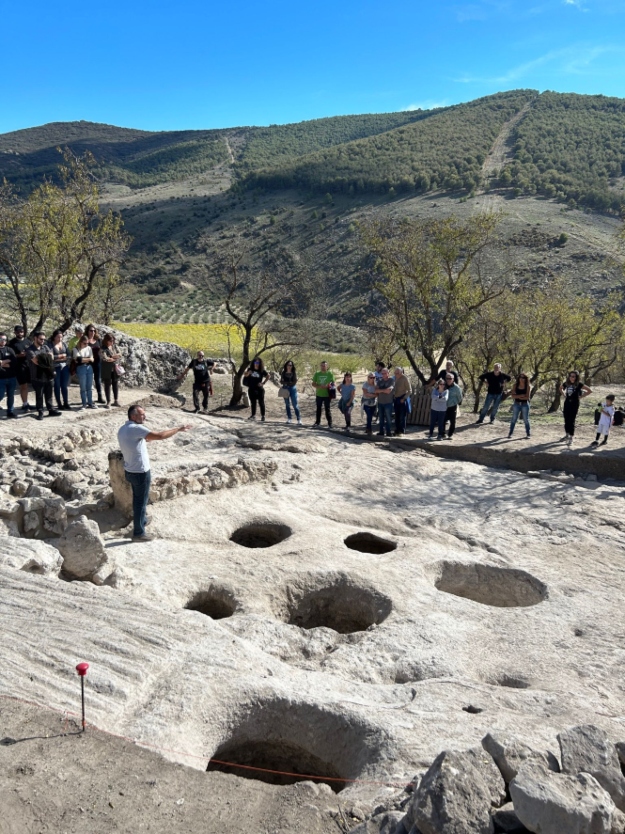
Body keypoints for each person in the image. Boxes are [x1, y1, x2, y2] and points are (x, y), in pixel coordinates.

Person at [117, 405, 192, 542]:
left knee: (138, 499)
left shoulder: (124, 429)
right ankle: (139, 533)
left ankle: (143, 520)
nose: (145, 417)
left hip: (130, 470)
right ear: (133, 416)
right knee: (140, 502)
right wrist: (178, 429)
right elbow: (160, 436)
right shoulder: (136, 428)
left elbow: (145, 439)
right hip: (140, 472)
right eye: (142, 415)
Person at [26, 331, 61, 421]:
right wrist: (46, 358)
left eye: (44, 339)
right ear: (35, 338)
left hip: (48, 375)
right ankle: (40, 411)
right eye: (41, 339)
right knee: (39, 395)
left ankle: (51, 409)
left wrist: (44, 358)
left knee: (49, 394)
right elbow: (36, 361)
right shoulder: (30, 349)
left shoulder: (45, 347)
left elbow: (51, 357)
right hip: (37, 376)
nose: (43, 341)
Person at [560, 371, 591, 447]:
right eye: (570, 376)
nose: (572, 378)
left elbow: (589, 391)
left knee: (571, 420)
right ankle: (567, 434)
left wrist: (580, 397)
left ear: (576, 377)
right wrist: (564, 394)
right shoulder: (566, 383)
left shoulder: (579, 384)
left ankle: (571, 436)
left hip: (574, 403)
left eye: (573, 376)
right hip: (567, 403)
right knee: (566, 419)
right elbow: (560, 388)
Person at [8, 325, 32, 411]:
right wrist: (18, 355)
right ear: (14, 332)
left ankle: (27, 402)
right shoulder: (11, 343)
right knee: (23, 385)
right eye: (18, 332)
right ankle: (25, 404)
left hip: (28, 366)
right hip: (18, 367)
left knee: (29, 386)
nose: (20, 333)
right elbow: (9, 356)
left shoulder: (28, 342)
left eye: (21, 331)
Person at [72, 334, 95, 409]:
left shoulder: (89, 348)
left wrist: (84, 359)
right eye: (84, 343)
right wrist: (88, 359)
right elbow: (78, 360)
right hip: (81, 368)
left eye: (87, 343)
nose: (86, 344)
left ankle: (90, 403)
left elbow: (92, 358)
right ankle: (84, 403)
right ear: (81, 342)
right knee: (83, 387)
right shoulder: (76, 349)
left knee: (89, 386)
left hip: (89, 367)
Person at [100, 332, 122, 409]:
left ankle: (116, 400)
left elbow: (120, 354)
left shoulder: (114, 346)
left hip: (114, 368)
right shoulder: (103, 348)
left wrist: (112, 356)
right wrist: (113, 358)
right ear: (106, 340)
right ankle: (108, 401)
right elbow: (105, 358)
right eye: (110, 341)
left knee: (115, 384)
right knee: (107, 385)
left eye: (113, 340)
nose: (112, 342)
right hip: (107, 369)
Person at [50, 329, 71, 410]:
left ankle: (66, 402)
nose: (60, 339)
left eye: (61, 337)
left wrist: (59, 357)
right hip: (55, 367)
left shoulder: (64, 344)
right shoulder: (50, 345)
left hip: (65, 367)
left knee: (64, 386)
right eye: (58, 337)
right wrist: (62, 356)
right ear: (54, 337)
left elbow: (69, 356)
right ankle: (59, 403)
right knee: (57, 385)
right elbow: (51, 357)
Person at [244, 357, 269, 421]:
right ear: (253, 363)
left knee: (261, 402)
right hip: (251, 388)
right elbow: (245, 375)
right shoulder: (250, 369)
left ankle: (263, 416)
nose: (256, 364)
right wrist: (248, 373)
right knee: (253, 402)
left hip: (259, 389)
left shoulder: (262, 370)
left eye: (258, 362)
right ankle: (253, 415)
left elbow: (268, 376)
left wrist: (263, 383)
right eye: (255, 362)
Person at [508, 373, 532, 439]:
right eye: (520, 377)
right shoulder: (515, 385)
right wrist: (520, 396)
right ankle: (510, 433)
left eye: (523, 378)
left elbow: (527, 397)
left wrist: (519, 397)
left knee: (526, 419)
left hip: (525, 404)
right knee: (514, 419)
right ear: (518, 378)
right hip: (516, 404)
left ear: (525, 379)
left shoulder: (528, 386)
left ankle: (528, 434)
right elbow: (513, 396)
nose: (522, 379)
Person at [311, 360, 334, 429]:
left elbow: (333, 383)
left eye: (324, 366)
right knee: (318, 409)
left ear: (327, 366)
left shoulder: (330, 374)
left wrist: (328, 386)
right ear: (320, 366)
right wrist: (319, 386)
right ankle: (317, 422)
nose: (323, 367)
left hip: (327, 395)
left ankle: (330, 423)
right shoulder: (317, 374)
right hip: (319, 394)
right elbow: (313, 383)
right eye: (322, 365)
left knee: (327, 409)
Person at [0, 333, 18, 419]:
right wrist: (7, 361)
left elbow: (14, 362)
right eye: (1, 339)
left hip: (11, 377)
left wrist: (2, 362)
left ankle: (10, 411)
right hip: (1, 378)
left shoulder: (10, 350)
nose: (3, 341)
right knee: (1, 395)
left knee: (11, 395)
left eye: (4, 339)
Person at [85, 325, 105, 404]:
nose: (92, 332)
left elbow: (102, 350)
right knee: (88, 380)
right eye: (91, 330)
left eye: (94, 331)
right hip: (88, 362)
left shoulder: (98, 340)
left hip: (97, 362)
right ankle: (88, 398)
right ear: (87, 331)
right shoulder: (85, 340)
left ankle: (100, 397)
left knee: (98, 380)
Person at [280, 360, 302, 425]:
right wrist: (287, 383)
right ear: (286, 365)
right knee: (287, 404)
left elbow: (294, 382)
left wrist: (286, 383)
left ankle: (299, 419)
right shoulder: (283, 373)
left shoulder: (294, 373)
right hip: (285, 389)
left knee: (295, 404)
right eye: (288, 365)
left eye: (291, 365)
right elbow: (281, 381)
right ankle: (289, 418)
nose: (289, 366)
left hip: (292, 389)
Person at [375, 367, 394, 437]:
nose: (383, 374)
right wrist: (383, 390)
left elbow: (389, 391)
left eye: (385, 373)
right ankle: (381, 431)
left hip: (388, 402)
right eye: (382, 373)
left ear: (388, 373)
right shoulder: (379, 381)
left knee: (388, 418)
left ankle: (388, 432)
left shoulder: (391, 380)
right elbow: (376, 390)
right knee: (381, 418)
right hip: (380, 402)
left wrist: (380, 390)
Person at [392, 367, 412, 436]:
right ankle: (397, 430)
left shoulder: (405, 379)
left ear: (401, 373)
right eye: (395, 373)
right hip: (396, 398)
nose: (395, 374)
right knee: (396, 416)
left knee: (402, 416)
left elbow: (410, 391)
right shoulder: (394, 378)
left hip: (402, 399)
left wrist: (404, 398)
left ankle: (401, 431)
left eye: (397, 373)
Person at [444, 373, 463, 440]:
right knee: (443, 420)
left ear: (453, 379)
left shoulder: (456, 388)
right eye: (447, 378)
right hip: (444, 406)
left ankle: (450, 434)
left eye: (450, 378)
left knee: (452, 421)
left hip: (452, 406)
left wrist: (455, 403)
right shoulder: (443, 385)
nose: (448, 380)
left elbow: (460, 397)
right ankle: (442, 434)